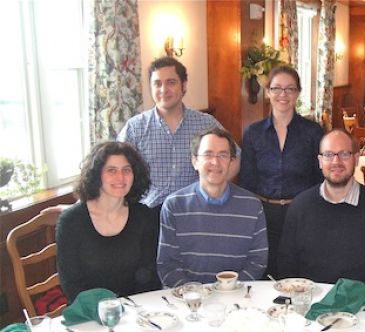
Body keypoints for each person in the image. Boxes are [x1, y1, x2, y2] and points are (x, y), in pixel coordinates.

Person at [278, 130, 365, 294]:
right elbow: (286, 265)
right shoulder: (300, 207)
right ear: (320, 161)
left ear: (356, 159)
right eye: (329, 155)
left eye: (344, 154)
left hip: (361, 307)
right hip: (308, 301)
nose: (336, 161)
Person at [117, 56, 240, 212]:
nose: (163, 90)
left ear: (184, 86)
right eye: (157, 84)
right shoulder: (135, 128)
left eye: (171, 82)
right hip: (149, 213)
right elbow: (116, 166)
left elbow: (236, 158)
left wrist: (212, 185)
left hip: (195, 210)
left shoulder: (206, 124)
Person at [239, 65, 323, 277]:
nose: (282, 95)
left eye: (290, 89)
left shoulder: (313, 132)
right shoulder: (253, 133)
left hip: (302, 212)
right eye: (276, 88)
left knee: (300, 272)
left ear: (298, 93)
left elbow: (320, 178)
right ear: (268, 93)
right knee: (268, 271)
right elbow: (247, 181)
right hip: (264, 214)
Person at [157, 127, 268, 287]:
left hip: (235, 297)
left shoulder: (252, 206)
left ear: (231, 161)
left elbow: (257, 261)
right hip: (187, 301)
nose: (215, 162)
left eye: (223, 155)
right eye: (208, 154)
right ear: (195, 161)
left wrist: (228, 290)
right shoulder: (174, 205)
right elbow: (167, 264)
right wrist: (195, 293)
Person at [56, 142, 161, 302]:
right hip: (91, 313)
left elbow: (149, 276)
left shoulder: (144, 216)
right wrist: (108, 311)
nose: (120, 177)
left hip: (137, 311)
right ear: (97, 175)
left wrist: (134, 311)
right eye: (111, 170)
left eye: (126, 170)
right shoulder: (71, 221)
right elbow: (71, 284)